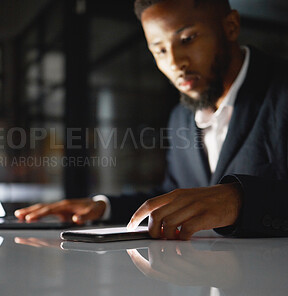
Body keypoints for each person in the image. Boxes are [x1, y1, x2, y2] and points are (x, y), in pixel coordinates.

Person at [15, 0, 288, 240]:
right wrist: (103, 207)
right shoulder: (181, 117)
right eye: (159, 50)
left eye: (187, 39)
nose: (174, 62)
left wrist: (238, 200)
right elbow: (175, 193)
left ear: (230, 27)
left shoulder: (281, 89)